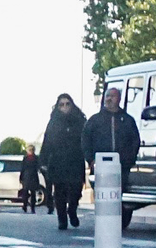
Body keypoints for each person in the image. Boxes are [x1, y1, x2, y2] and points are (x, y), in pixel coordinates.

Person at [84, 88, 143, 217]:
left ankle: (120, 219)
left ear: (119, 99)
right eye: (107, 96)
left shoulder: (127, 120)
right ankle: (103, 218)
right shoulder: (94, 120)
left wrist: (129, 159)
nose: (109, 99)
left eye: (112, 96)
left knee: (118, 193)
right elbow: (86, 140)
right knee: (102, 194)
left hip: (121, 166)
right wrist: (90, 160)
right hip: (100, 165)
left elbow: (135, 141)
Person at [38, 94, 88, 231]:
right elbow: (47, 142)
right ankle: (62, 219)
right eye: (62, 104)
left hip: (76, 161)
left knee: (76, 190)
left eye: (67, 104)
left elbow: (87, 140)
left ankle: (72, 210)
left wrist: (89, 158)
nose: (65, 107)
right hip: (58, 161)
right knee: (59, 192)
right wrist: (42, 161)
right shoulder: (53, 122)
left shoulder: (80, 120)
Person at [16, 144, 45, 214]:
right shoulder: (36, 158)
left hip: (26, 177)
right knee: (33, 193)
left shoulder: (25, 158)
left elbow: (22, 168)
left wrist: (21, 177)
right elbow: (38, 167)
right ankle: (32, 208)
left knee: (25, 193)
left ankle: (25, 206)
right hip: (34, 177)